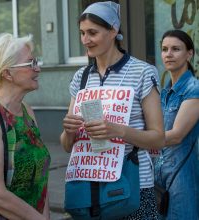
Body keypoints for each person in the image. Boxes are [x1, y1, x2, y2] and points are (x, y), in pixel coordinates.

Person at [60, 1, 165, 219]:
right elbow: (67, 145)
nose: (85, 40)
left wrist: (118, 131)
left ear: (113, 30)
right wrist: (69, 131)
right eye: (81, 33)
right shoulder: (82, 76)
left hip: (133, 185)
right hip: (90, 186)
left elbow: (158, 139)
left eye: (92, 32)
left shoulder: (142, 72)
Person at [0, 33, 51, 220]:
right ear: (7, 73)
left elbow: (40, 179)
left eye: (36, 61)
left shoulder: (27, 111)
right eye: (30, 64)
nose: (38, 69)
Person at [154, 30, 199, 219]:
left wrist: (134, 138)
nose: (168, 54)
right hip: (160, 174)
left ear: (189, 53)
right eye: (164, 49)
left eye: (175, 49)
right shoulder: (165, 93)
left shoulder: (194, 88)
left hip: (183, 175)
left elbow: (177, 135)